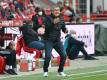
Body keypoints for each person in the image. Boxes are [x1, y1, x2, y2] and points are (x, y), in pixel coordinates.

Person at [43, 7, 68, 77]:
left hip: (57, 41)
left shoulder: (62, 18)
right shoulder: (47, 18)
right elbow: (46, 29)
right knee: (48, 56)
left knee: (64, 55)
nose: (56, 11)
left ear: (59, 11)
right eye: (55, 10)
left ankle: (60, 71)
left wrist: (65, 30)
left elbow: (63, 28)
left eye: (57, 10)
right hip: (49, 40)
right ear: (52, 11)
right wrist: (53, 23)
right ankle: (45, 71)